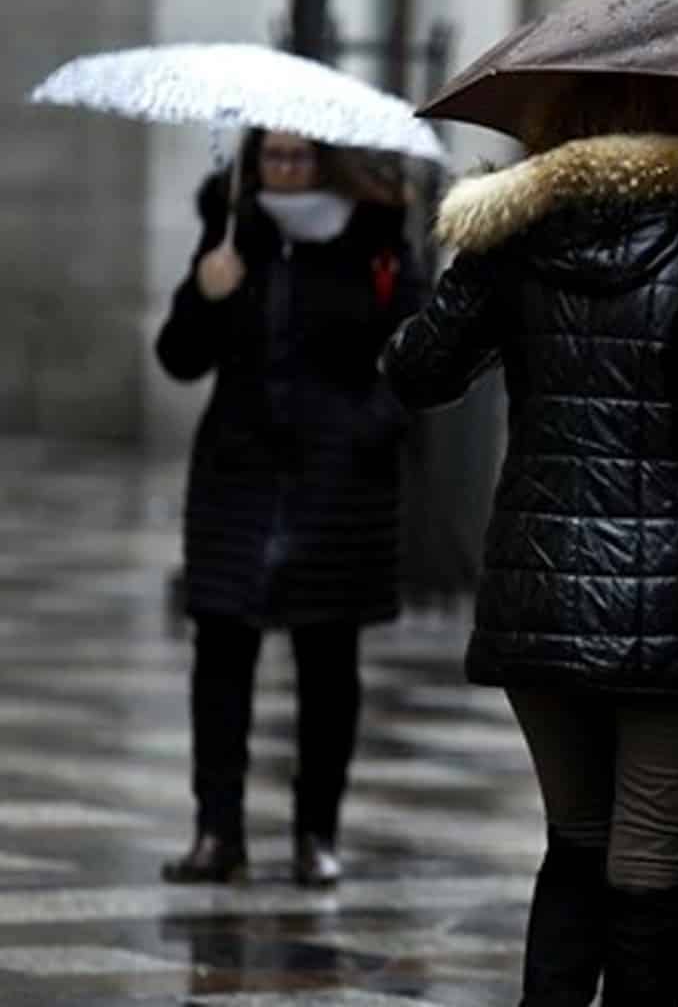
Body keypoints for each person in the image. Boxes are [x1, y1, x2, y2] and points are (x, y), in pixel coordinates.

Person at [380, 78, 678, 1006]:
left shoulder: (514, 233)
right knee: (651, 858)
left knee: (575, 840)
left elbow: (416, 371)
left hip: (540, 588)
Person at [155, 130, 420, 888]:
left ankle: (316, 833)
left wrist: (369, 426)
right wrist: (204, 295)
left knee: (327, 661)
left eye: (300, 157)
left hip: (339, 481)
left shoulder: (375, 239)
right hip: (238, 473)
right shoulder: (232, 230)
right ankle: (217, 831)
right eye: (272, 157)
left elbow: (415, 352)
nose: (285, 170)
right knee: (221, 648)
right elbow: (179, 358)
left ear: (326, 161)